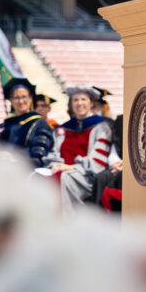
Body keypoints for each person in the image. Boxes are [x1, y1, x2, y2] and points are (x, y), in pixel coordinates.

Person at [50, 85, 114, 216]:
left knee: (65, 177)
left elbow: (98, 161)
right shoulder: (64, 128)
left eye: (83, 99)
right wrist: (56, 164)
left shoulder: (101, 127)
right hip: (64, 171)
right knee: (38, 176)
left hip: (86, 176)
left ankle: (67, 224)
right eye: (75, 100)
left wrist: (71, 167)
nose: (79, 103)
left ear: (91, 103)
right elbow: (54, 152)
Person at [0, 77, 54, 167]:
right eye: (16, 97)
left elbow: (39, 156)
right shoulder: (4, 125)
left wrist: (14, 156)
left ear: (30, 98)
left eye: (24, 97)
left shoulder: (40, 124)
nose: (21, 101)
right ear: (10, 100)